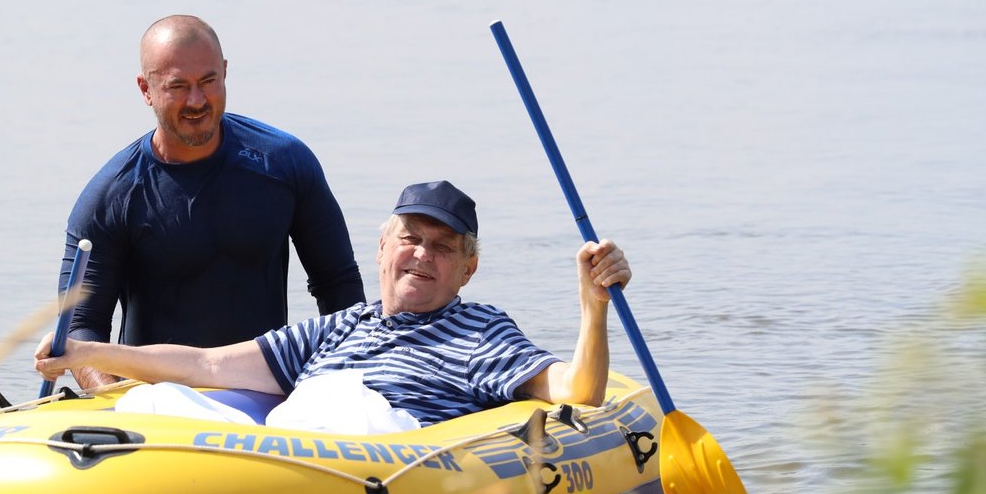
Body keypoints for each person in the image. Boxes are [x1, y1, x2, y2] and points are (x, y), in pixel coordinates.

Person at [37, 180, 631, 426]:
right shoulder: (338, 328)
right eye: (411, 240)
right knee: (158, 400)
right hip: (294, 445)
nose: (422, 256)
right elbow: (206, 365)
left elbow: (578, 393)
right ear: (381, 250)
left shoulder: (480, 330)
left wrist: (593, 307)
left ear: (467, 269)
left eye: (442, 248)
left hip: (377, 455)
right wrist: (86, 351)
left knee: (336, 393)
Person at [58, 15, 365, 389]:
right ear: (146, 89)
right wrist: (117, 406)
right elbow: (81, 329)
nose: (197, 100)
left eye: (208, 81)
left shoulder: (284, 163)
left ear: (225, 72)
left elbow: (339, 288)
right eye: (178, 86)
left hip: (264, 393)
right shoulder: (110, 196)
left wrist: (339, 386)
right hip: (155, 400)